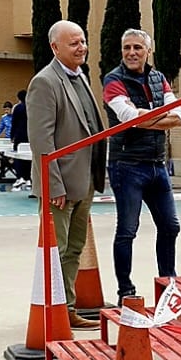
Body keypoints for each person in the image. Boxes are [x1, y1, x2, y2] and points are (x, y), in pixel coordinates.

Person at [27, 20, 106, 329]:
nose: (81, 47)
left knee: (74, 249)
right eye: (73, 43)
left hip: (84, 181)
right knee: (56, 252)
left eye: (83, 41)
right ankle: (52, 313)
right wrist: (53, 185)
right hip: (60, 186)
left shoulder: (80, 77)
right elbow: (41, 141)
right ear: (54, 47)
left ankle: (68, 308)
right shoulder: (45, 82)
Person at [102, 28, 181, 299]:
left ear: (148, 51)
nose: (132, 52)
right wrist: (155, 118)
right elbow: (127, 117)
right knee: (127, 230)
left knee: (170, 226)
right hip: (127, 165)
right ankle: (125, 290)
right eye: (127, 47)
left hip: (157, 164)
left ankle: (168, 286)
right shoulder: (113, 80)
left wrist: (143, 117)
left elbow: (179, 117)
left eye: (137, 47)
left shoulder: (159, 79)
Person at [9, 89, 31, 190]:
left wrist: (12, 136)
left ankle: (20, 177)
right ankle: (28, 178)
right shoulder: (33, 107)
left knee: (18, 156)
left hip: (19, 136)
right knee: (29, 157)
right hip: (30, 136)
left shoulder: (17, 108)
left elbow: (14, 123)